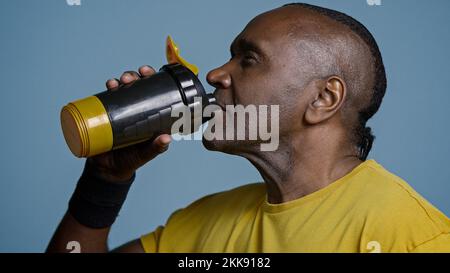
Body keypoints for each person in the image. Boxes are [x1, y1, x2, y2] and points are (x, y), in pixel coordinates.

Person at [47, 3, 450, 253]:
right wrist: (105, 180)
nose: (216, 74)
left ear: (324, 99)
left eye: (249, 59)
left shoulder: (413, 238)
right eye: (229, 57)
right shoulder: (204, 223)